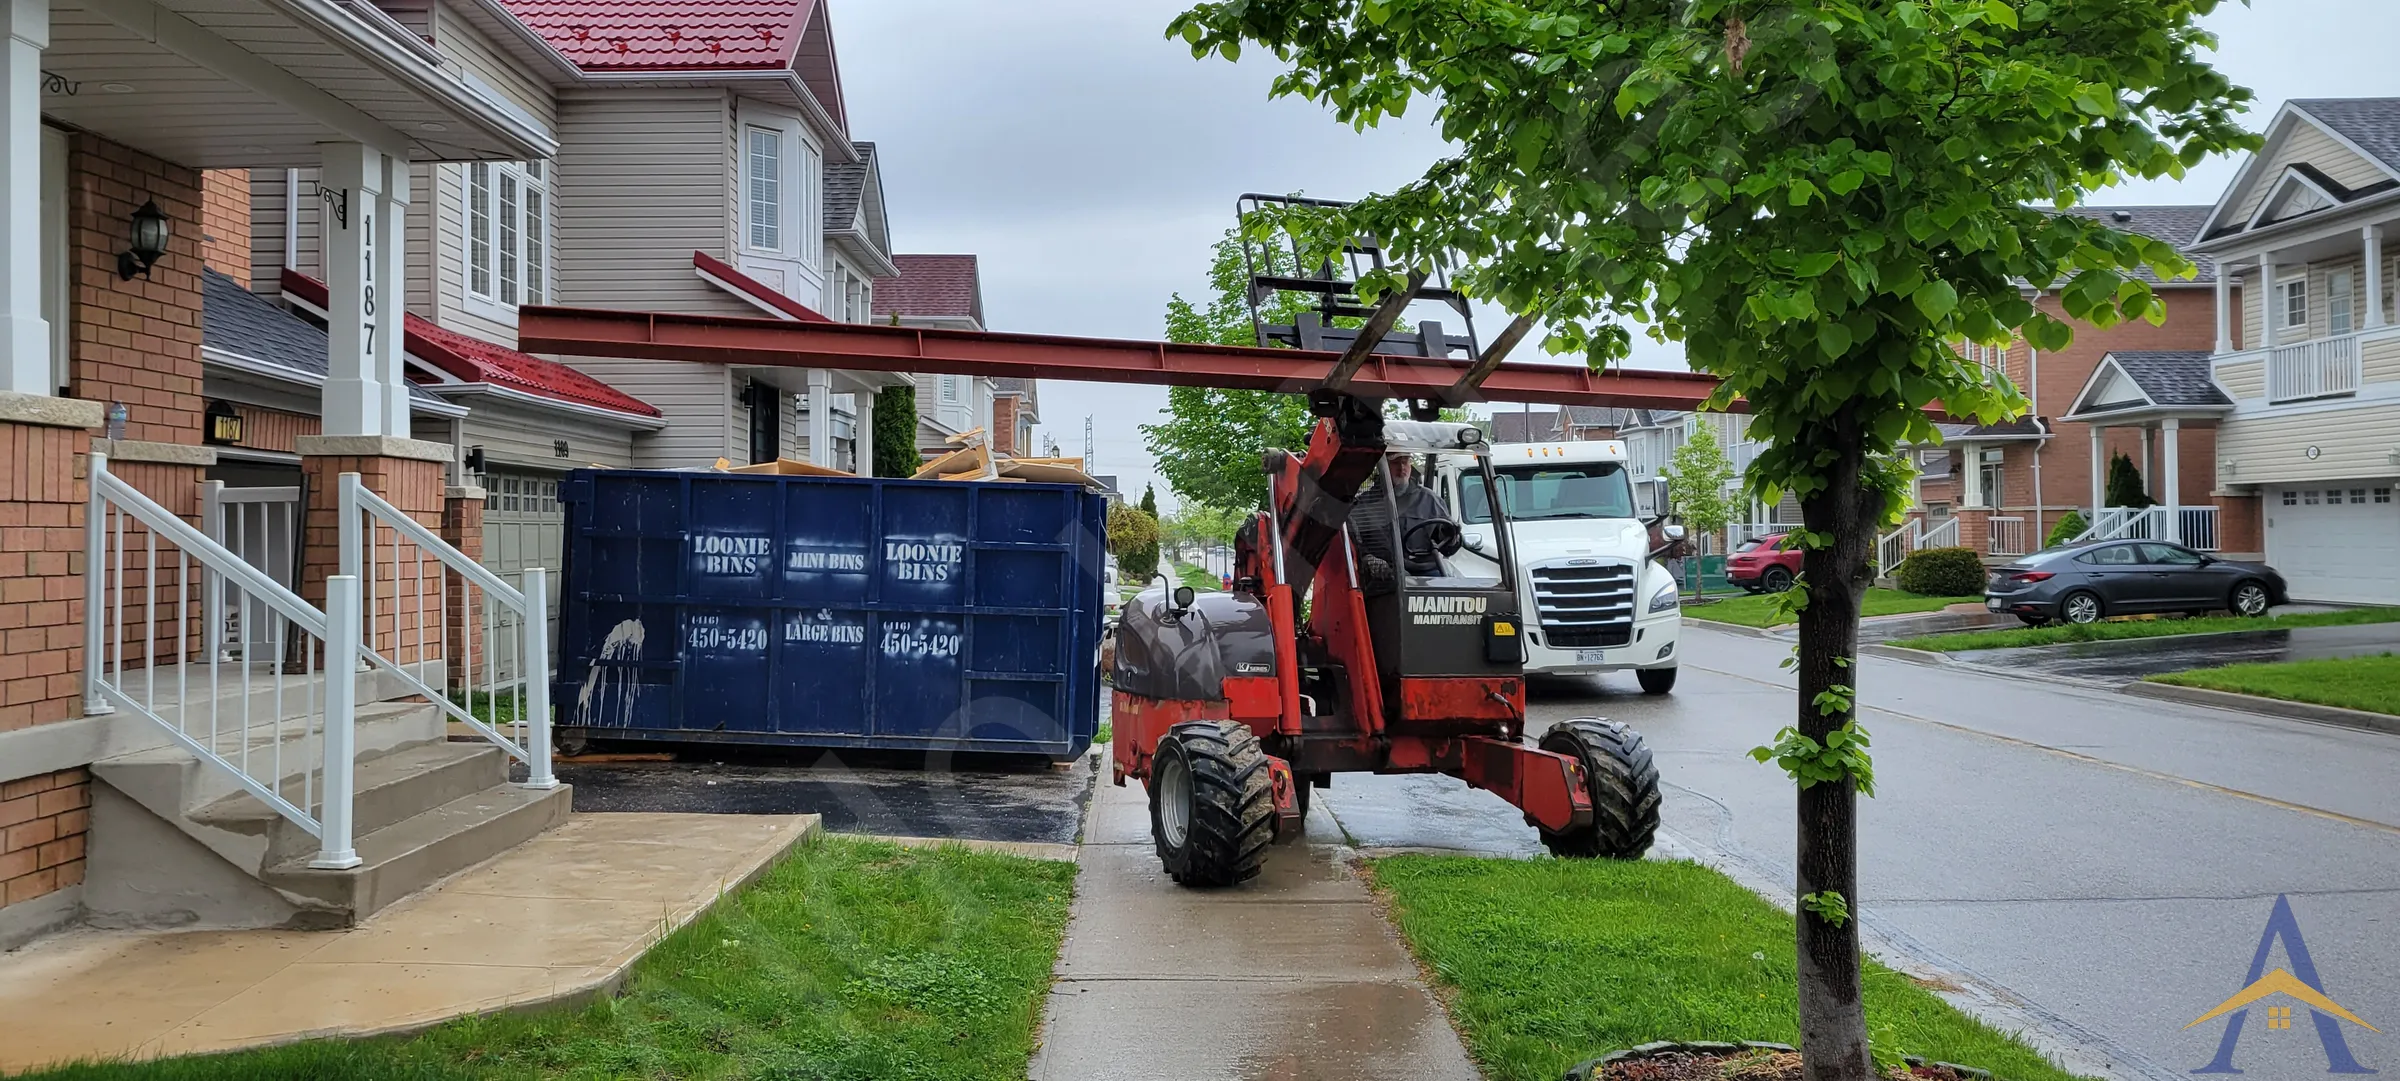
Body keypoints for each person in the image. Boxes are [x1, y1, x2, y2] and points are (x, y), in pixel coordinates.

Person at [1350, 451, 1461, 579]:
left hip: (1425, 575)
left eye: (1405, 461)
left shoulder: (1431, 500)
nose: (1402, 468)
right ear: (1382, 467)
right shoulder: (1364, 504)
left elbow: (1448, 548)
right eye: (1396, 462)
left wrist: (1452, 537)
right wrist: (1367, 558)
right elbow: (1354, 544)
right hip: (1383, 577)